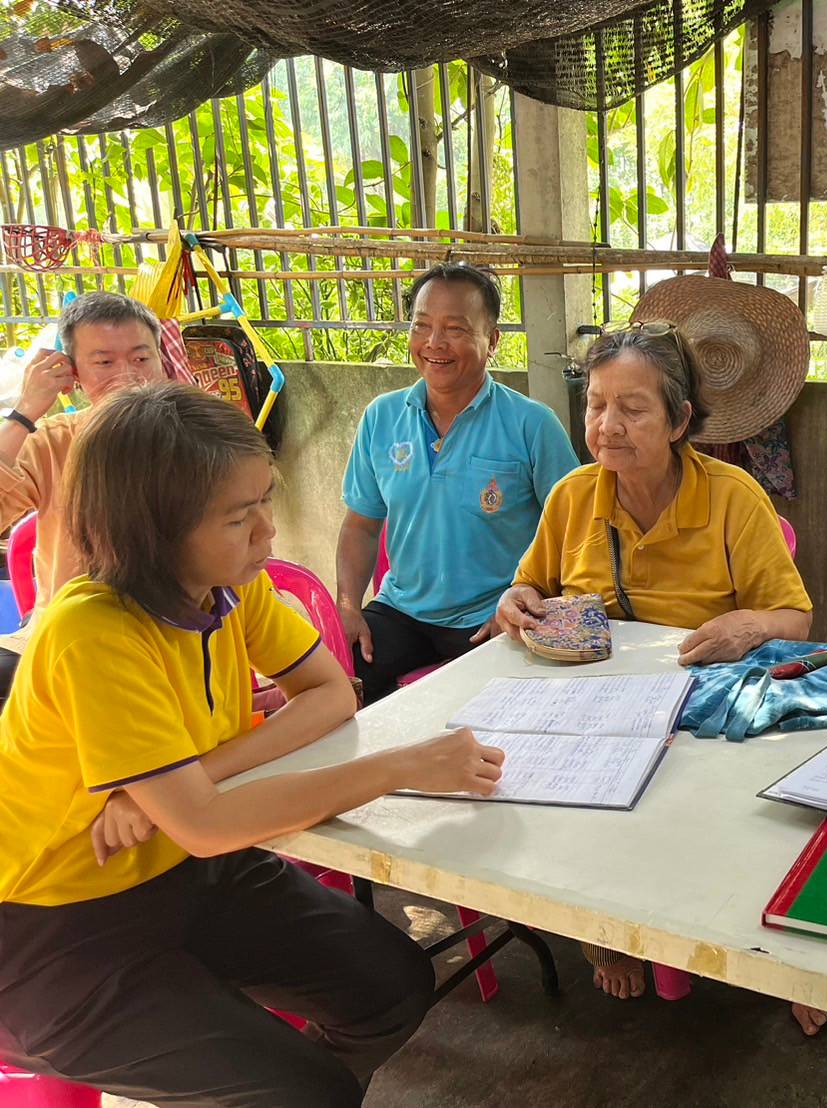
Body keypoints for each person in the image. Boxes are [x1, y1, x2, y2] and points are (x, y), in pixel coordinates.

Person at [0, 383, 505, 1107]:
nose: (268, 533)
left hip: (175, 868)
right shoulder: (94, 631)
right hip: (48, 928)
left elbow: (332, 694)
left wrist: (182, 781)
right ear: (156, 531)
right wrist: (404, 766)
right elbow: (206, 824)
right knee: (301, 1090)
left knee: (391, 990)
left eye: (265, 500)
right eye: (240, 517)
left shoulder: (228, 587)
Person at [495, 321, 819, 1026]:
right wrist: (513, 601)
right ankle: (606, 935)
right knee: (558, 800)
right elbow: (529, 589)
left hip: (705, 702)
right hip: (600, 708)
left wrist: (750, 624)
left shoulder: (732, 496)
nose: (607, 426)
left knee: (748, 816)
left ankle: (789, 966)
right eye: (596, 405)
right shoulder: (574, 497)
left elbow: (794, 617)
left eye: (632, 408)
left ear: (677, 420)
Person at [336, 262, 579, 703]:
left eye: (455, 329)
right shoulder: (382, 417)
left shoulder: (531, 424)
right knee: (336, 689)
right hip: (401, 610)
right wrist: (349, 607)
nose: (434, 343)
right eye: (422, 325)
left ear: (492, 341)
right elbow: (361, 525)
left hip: (492, 615)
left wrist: (525, 598)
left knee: (504, 717)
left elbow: (575, 531)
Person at [0, 291, 169, 699]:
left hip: (171, 637)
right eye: (105, 362)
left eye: (141, 358)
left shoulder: (199, 437)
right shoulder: (53, 443)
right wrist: (25, 412)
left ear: (162, 361)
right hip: (68, 645)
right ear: (73, 373)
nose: (128, 375)